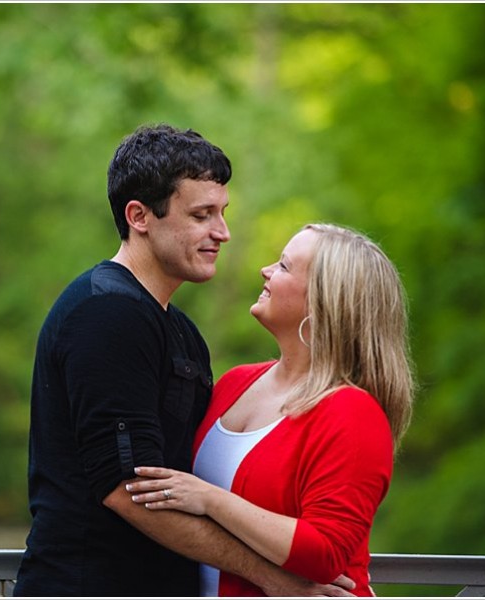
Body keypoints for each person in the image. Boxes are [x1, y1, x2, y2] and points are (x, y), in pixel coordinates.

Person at [14, 127, 355, 597]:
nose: (222, 232)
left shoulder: (181, 332)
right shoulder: (106, 314)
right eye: (201, 215)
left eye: (222, 213)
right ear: (139, 216)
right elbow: (130, 492)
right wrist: (274, 579)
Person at [127, 223, 415, 597]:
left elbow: (325, 553)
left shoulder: (352, 411)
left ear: (323, 301)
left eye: (283, 266)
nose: (266, 271)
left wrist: (211, 500)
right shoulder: (234, 384)